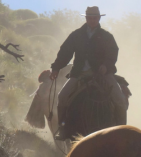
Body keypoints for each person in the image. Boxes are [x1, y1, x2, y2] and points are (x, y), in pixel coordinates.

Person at [49, 6, 127, 140]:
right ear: (86, 18)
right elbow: (65, 53)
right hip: (79, 73)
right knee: (62, 97)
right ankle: (63, 129)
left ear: (99, 18)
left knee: (120, 100)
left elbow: (113, 54)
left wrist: (106, 66)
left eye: (95, 18)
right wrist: (56, 68)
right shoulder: (76, 35)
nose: (92, 20)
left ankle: (122, 132)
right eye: (90, 18)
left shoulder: (107, 36)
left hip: (102, 74)